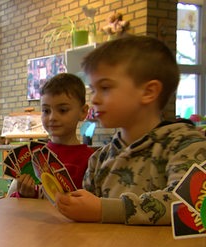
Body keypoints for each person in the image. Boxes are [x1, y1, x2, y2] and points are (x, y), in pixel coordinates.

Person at [54, 35, 206, 225]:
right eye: (93, 89)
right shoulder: (99, 159)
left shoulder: (184, 145)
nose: (94, 99)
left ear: (148, 92)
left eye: (105, 88)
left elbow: (188, 205)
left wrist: (103, 210)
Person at [9, 73, 94, 198]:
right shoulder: (32, 156)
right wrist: (23, 194)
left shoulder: (91, 160)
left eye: (63, 110)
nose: (52, 117)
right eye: (46, 111)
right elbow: (13, 204)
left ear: (83, 112)